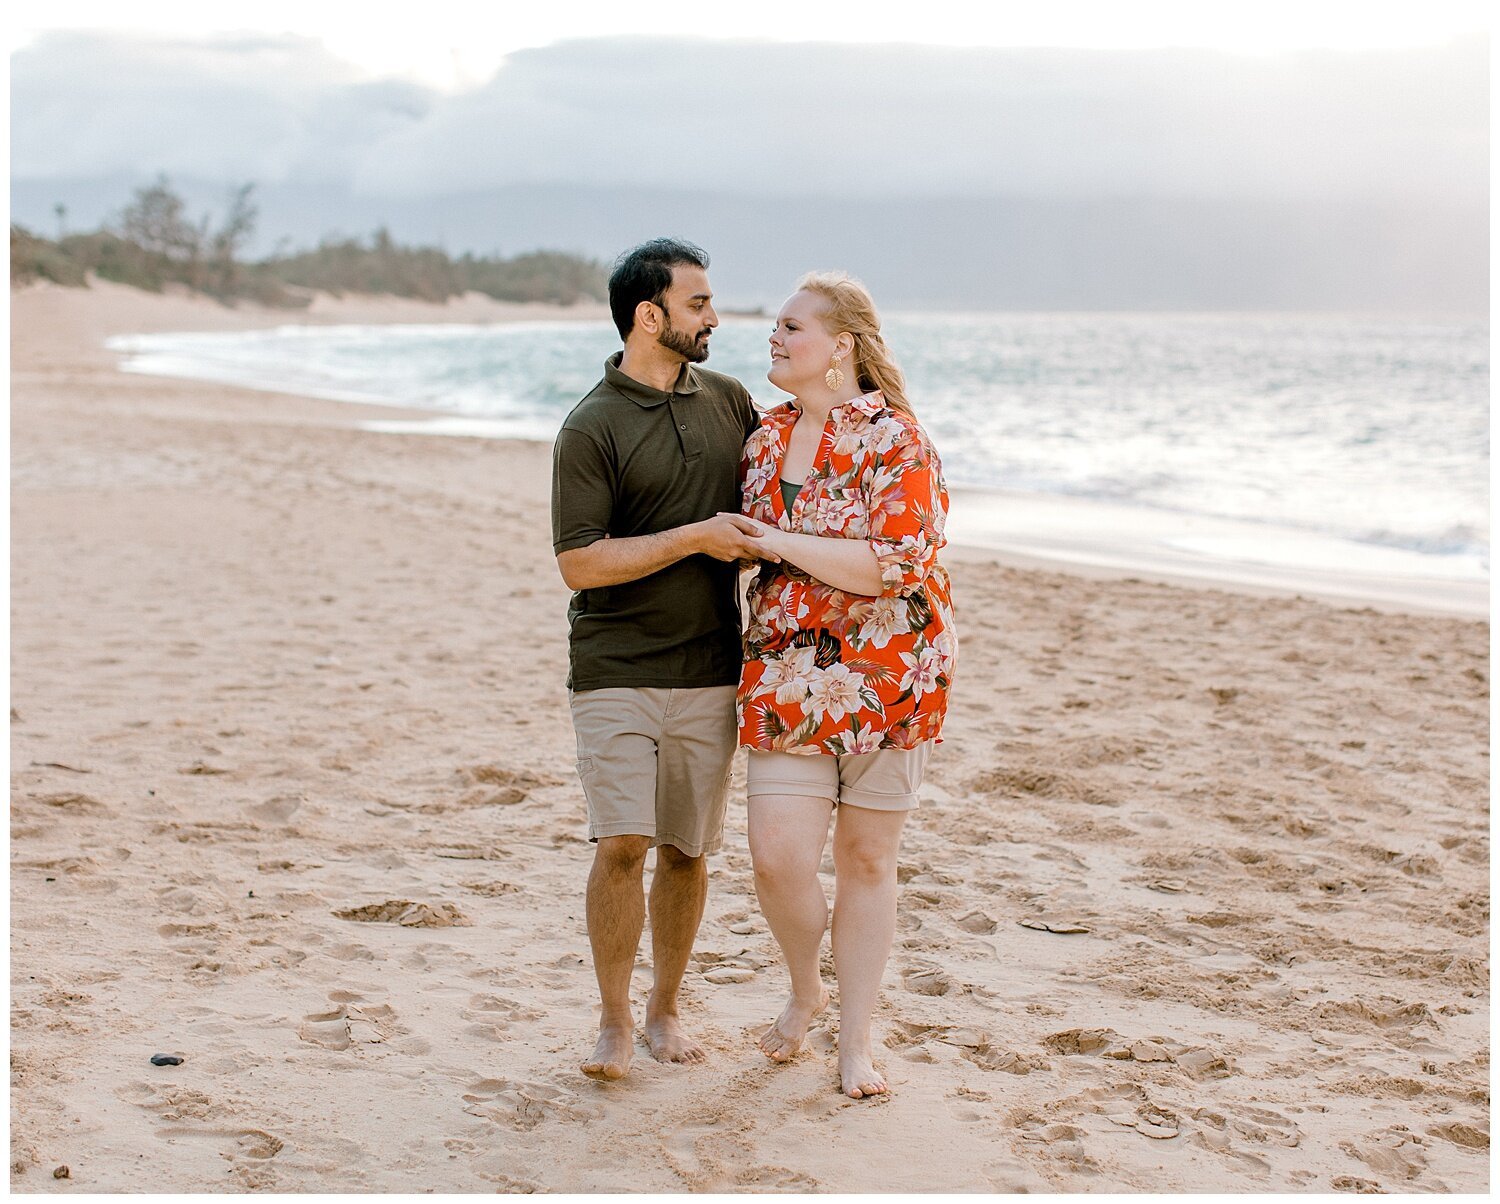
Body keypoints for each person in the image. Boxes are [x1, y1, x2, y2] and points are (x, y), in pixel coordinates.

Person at [725, 271, 956, 1099]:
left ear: (842, 345)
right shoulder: (759, 439)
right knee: (776, 856)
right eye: (775, 327)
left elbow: (893, 566)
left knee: (866, 859)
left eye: (792, 327)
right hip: (785, 673)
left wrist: (782, 542)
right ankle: (804, 987)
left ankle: (854, 1042)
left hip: (894, 673)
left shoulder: (899, 441)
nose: (775, 338)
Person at [550, 238, 769, 1081]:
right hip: (615, 665)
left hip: (711, 666)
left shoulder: (730, 400)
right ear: (651, 316)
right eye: (699, 304)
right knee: (622, 843)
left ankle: (665, 1010)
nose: (715, 318)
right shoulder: (589, 426)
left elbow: (776, 494)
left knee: (685, 849)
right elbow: (580, 563)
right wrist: (699, 539)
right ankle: (611, 1021)